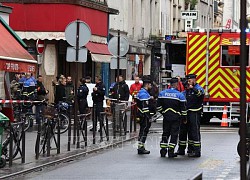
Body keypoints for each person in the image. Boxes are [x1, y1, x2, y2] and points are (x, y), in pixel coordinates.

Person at [157, 77, 187, 158]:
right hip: (176, 118)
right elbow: (183, 109)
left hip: (166, 117)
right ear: (177, 85)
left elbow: (158, 106)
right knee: (174, 134)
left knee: (165, 133)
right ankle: (171, 151)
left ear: (170, 84)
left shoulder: (162, 93)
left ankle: (163, 151)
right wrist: (184, 118)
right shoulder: (180, 95)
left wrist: (163, 113)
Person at [183, 74, 204, 157]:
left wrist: (193, 88)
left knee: (195, 131)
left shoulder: (198, 88)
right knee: (187, 131)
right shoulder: (187, 90)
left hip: (195, 112)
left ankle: (197, 151)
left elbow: (200, 94)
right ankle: (190, 149)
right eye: (188, 80)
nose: (189, 82)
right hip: (187, 112)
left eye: (190, 80)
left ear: (194, 80)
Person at [136, 76, 154, 154]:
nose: (151, 86)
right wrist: (149, 117)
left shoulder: (143, 92)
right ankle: (141, 148)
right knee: (143, 131)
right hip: (144, 116)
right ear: (147, 85)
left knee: (142, 131)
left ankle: (141, 146)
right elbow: (145, 107)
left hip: (141, 115)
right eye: (150, 85)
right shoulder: (143, 94)